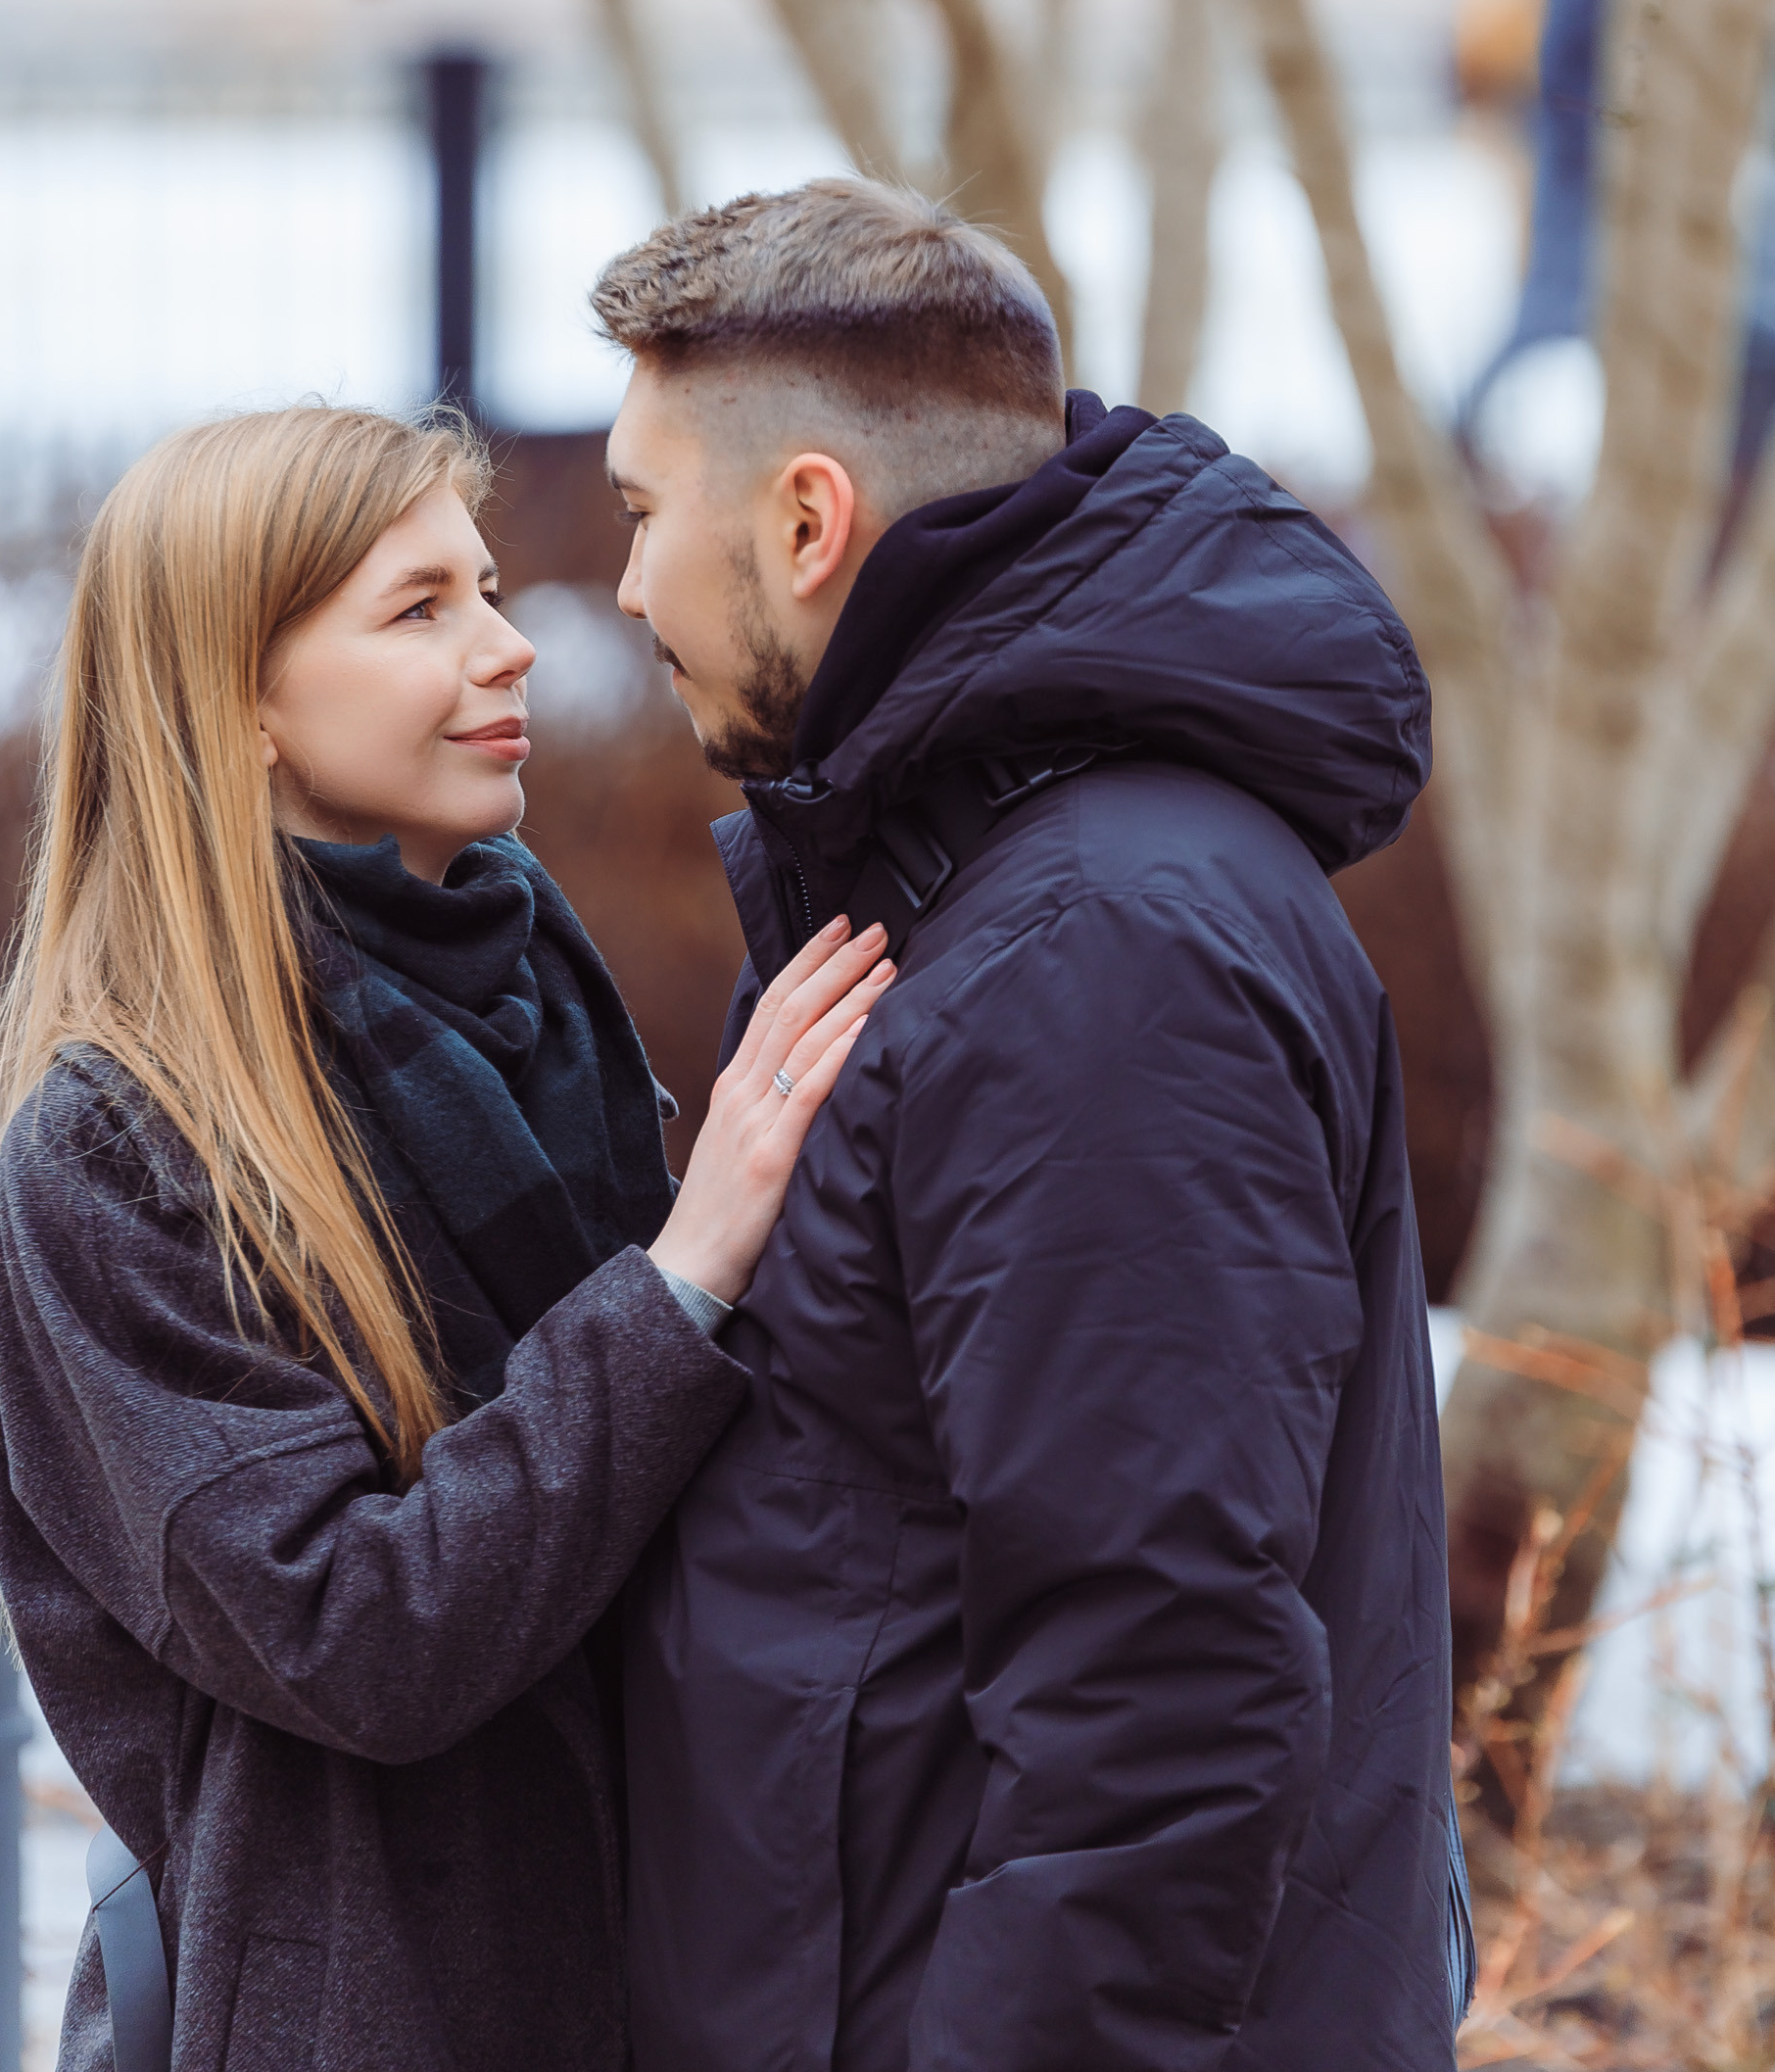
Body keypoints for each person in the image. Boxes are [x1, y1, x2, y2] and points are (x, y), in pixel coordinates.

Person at [597, 180, 1476, 2072]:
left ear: (807, 518)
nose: (621, 587)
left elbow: (1158, 1691)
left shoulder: (1094, 951)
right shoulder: (963, 879)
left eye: (641, 513)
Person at [0, 404, 893, 2072]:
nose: (507, 645)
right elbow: (358, 1633)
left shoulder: (530, 987)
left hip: (675, 1960)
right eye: (418, 611)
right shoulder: (117, 1146)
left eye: (484, 587)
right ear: (235, 697)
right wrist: (683, 1277)